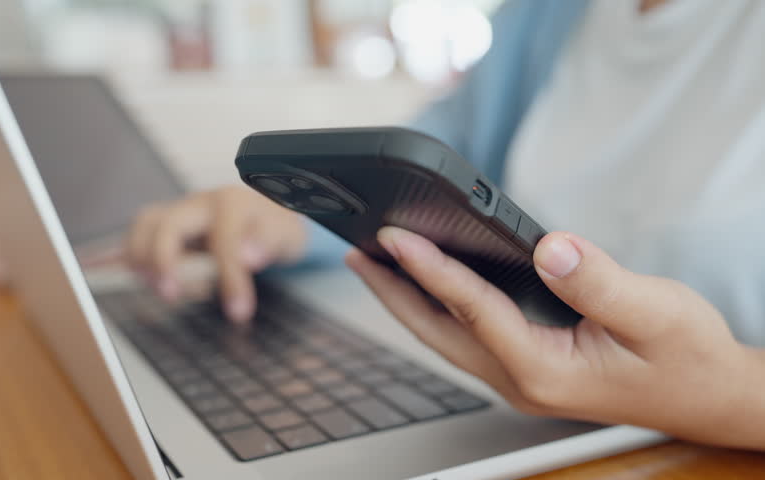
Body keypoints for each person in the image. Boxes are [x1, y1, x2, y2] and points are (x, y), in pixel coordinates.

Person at [125, 0, 765, 450]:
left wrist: (730, 395)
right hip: (525, 423)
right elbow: (444, 155)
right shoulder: (545, 14)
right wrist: (294, 216)